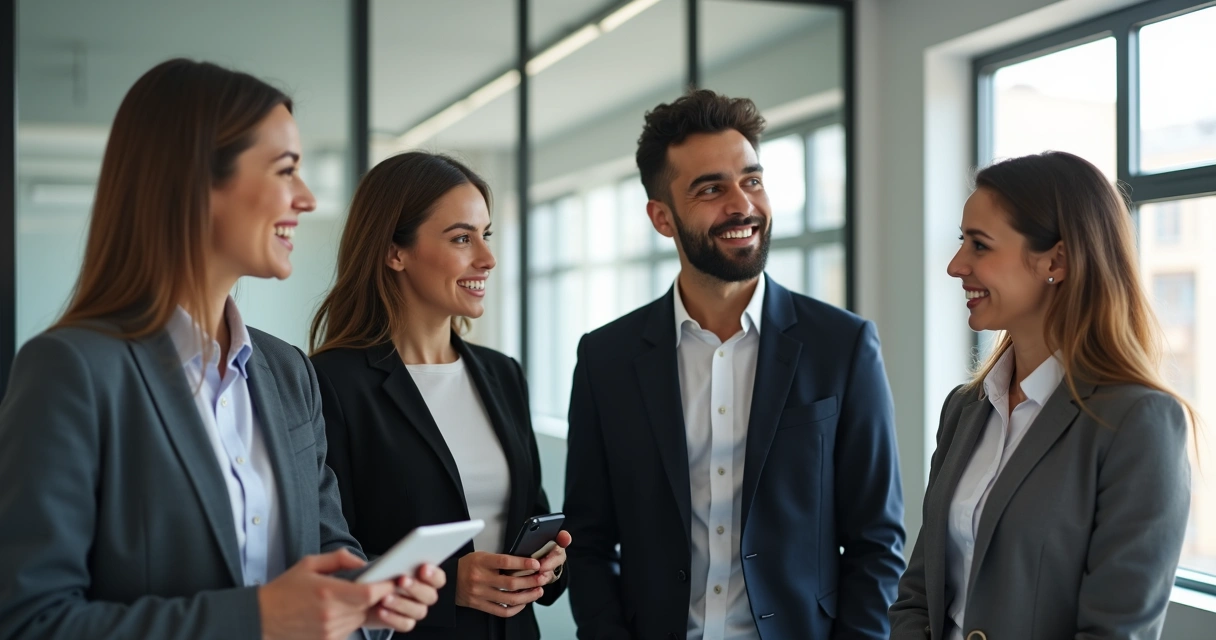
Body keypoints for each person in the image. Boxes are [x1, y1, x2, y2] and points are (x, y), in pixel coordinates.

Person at [0, 59, 444, 640]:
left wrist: (367, 604)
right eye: (286, 171)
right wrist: (259, 619)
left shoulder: (288, 373)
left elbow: (330, 546)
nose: (307, 199)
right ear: (196, 182)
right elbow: (30, 621)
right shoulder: (73, 371)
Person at [563, 89, 905, 640]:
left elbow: (877, 542)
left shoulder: (843, 345)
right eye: (710, 189)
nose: (742, 205)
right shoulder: (606, 359)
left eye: (751, 180)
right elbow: (589, 539)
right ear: (662, 218)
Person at [889, 151, 1193, 640]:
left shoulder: (1139, 422)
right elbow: (917, 596)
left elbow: (1114, 631)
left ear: (1057, 260)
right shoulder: (964, 409)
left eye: (980, 246)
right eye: (960, 242)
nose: (955, 265)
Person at [309, 151, 570, 640]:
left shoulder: (502, 374)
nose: (487, 259)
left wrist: (549, 562)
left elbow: (530, 509)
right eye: (461, 238)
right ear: (395, 251)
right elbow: (325, 555)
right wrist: (449, 582)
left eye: (485, 235)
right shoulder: (330, 383)